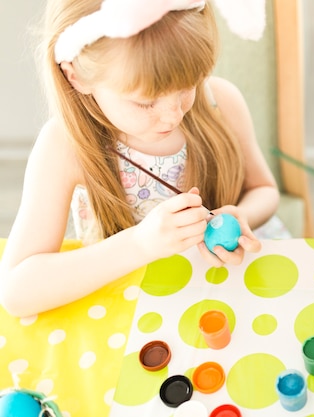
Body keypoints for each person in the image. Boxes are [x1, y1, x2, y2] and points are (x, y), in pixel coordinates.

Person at [0, 0, 282, 317]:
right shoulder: (65, 147)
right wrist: (140, 245)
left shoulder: (220, 103)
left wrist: (241, 214)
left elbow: (265, 190)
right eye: (146, 103)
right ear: (76, 76)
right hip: (131, 310)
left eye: (187, 87)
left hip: (227, 291)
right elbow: (15, 290)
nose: (172, 115)